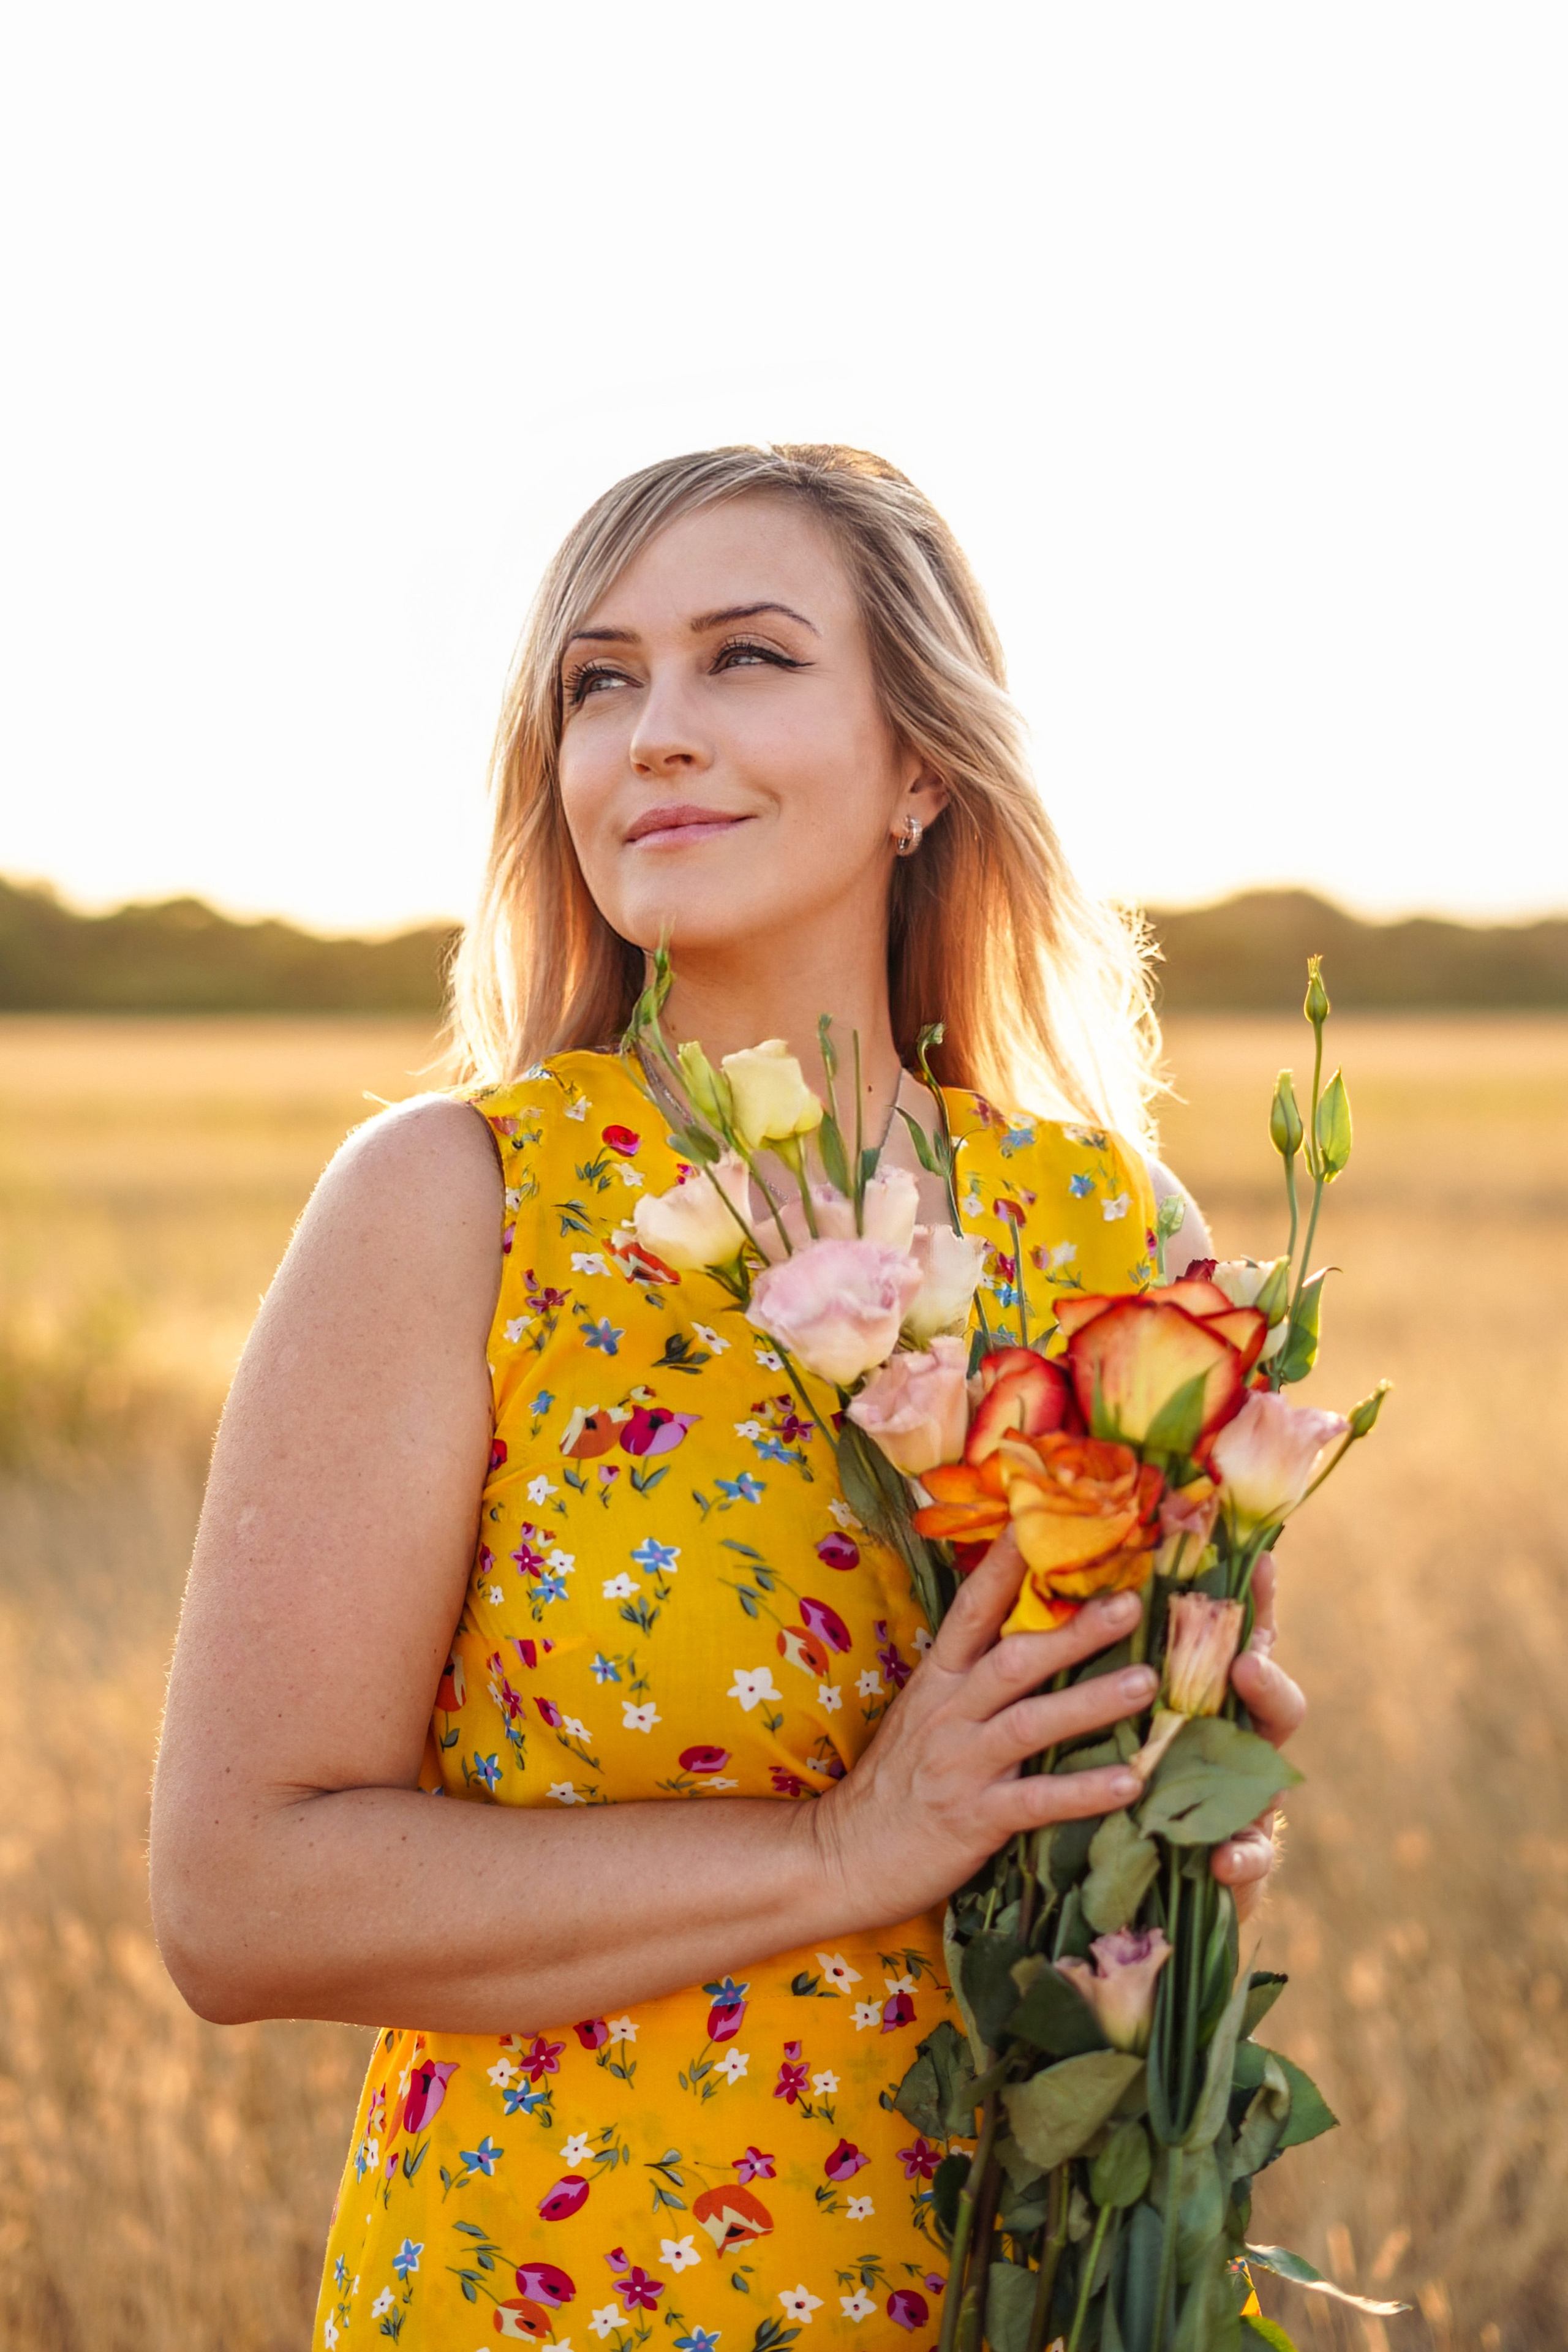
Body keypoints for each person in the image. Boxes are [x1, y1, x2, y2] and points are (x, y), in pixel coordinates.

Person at [149, 445, 1304, 2348]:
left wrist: (1190, 1799)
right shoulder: (460, 1204)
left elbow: (1150, 1830)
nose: (653, 734)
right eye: (599, 684)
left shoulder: (1116, 1224)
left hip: (1020, 2286)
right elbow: (237, 1900)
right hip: (559, 2292)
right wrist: (848, 1848)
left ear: (925, 766)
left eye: (744, 660)